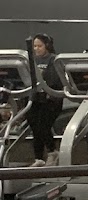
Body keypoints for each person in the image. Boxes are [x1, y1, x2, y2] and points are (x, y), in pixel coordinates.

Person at [27, 34, 63, 167]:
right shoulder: (32, 60)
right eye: (35, 46)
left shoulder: (54, 59)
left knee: (43, 126)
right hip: (36, 98)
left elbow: (54, 80)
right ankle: (38, 158)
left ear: (47, 46)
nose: (36, 49)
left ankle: (53, 152)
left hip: (51, 99)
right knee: (34, 127)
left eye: (39, 46)